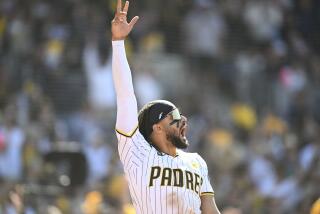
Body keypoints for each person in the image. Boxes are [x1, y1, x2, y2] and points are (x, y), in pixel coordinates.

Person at [111, 0, 221, 213]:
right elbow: (125, 97)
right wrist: (118, 43)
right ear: (157, 127)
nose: (183, 120)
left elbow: (210, 209)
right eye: (175, 117)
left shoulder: (196, 161)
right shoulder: (137, 153)